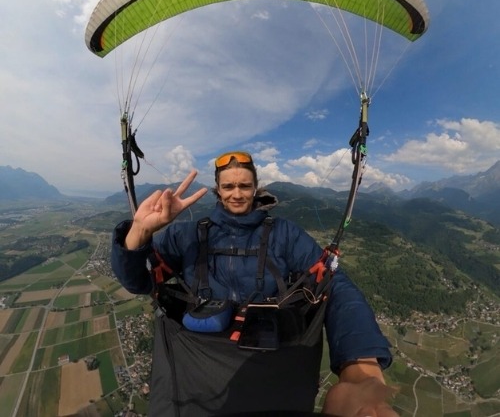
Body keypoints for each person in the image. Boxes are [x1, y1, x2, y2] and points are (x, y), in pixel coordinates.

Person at [111, 151, 398, 417]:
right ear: (218, 190)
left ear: (256, 187)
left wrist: (360, 365)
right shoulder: (187, 236)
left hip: (268, 369)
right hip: (195, 372)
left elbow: (333, 283)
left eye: (244, 186)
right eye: (228, 187)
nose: (237, 194)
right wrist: (139, 232)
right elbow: (138, 281)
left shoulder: (283, 235)